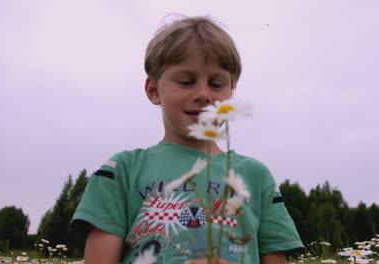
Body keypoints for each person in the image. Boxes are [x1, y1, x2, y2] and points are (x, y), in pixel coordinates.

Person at [72, 15, 303, 264]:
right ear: (153, 90)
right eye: (186, 82)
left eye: (216, 84)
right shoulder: (121, 171)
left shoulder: (257, 177)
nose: (203, 94)